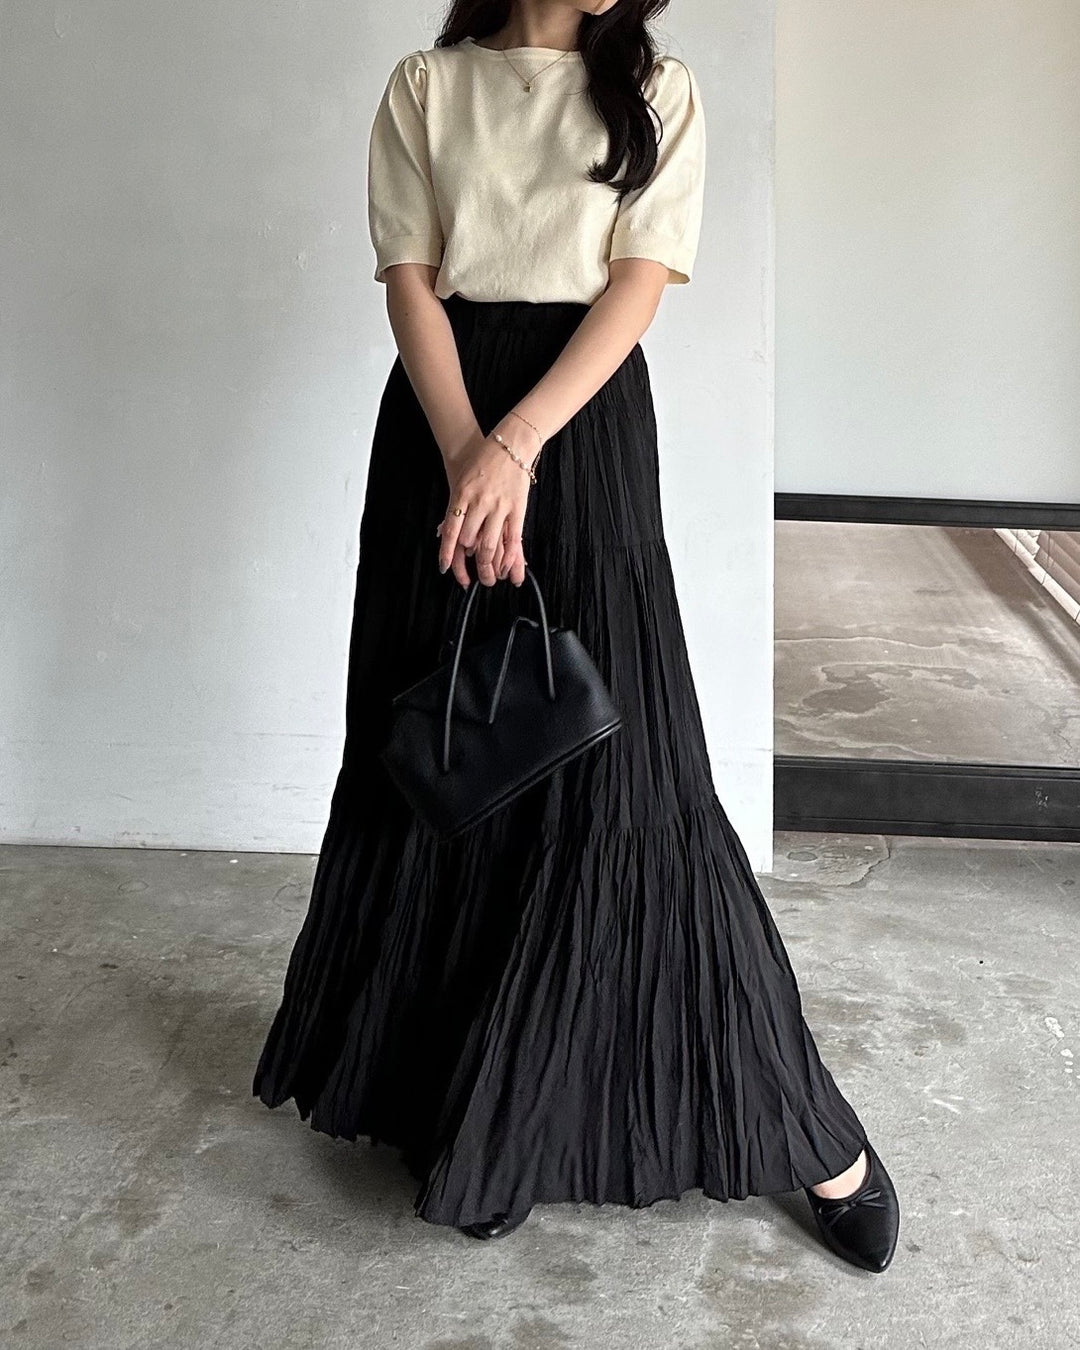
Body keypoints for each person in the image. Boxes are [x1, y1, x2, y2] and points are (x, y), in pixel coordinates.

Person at [252, 0, 901, 1273]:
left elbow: (637, 286)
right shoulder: (428, 84)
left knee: (629, 771)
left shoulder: (659, 89)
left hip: (579, 429)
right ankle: (475, 1115)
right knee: (448, 755)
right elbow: (412, 279)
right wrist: (465, 455)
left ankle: (802, 1124)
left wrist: (515, 448)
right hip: (439, 429)